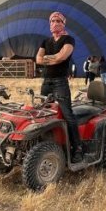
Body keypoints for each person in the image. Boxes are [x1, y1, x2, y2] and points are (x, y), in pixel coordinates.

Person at [36, 12, 83, 162]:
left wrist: (48, 59)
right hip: (46, 82)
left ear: (63, 24)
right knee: (42, 112)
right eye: (52, 21)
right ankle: (43, 143)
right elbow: (38, 59)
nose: (55, 23)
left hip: (60, 82)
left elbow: (63, 57)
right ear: (49, 24)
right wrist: (53, 58)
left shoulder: (68, 39)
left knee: (67, 114)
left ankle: (77, 148)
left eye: (58, 21)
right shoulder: (46, 41)